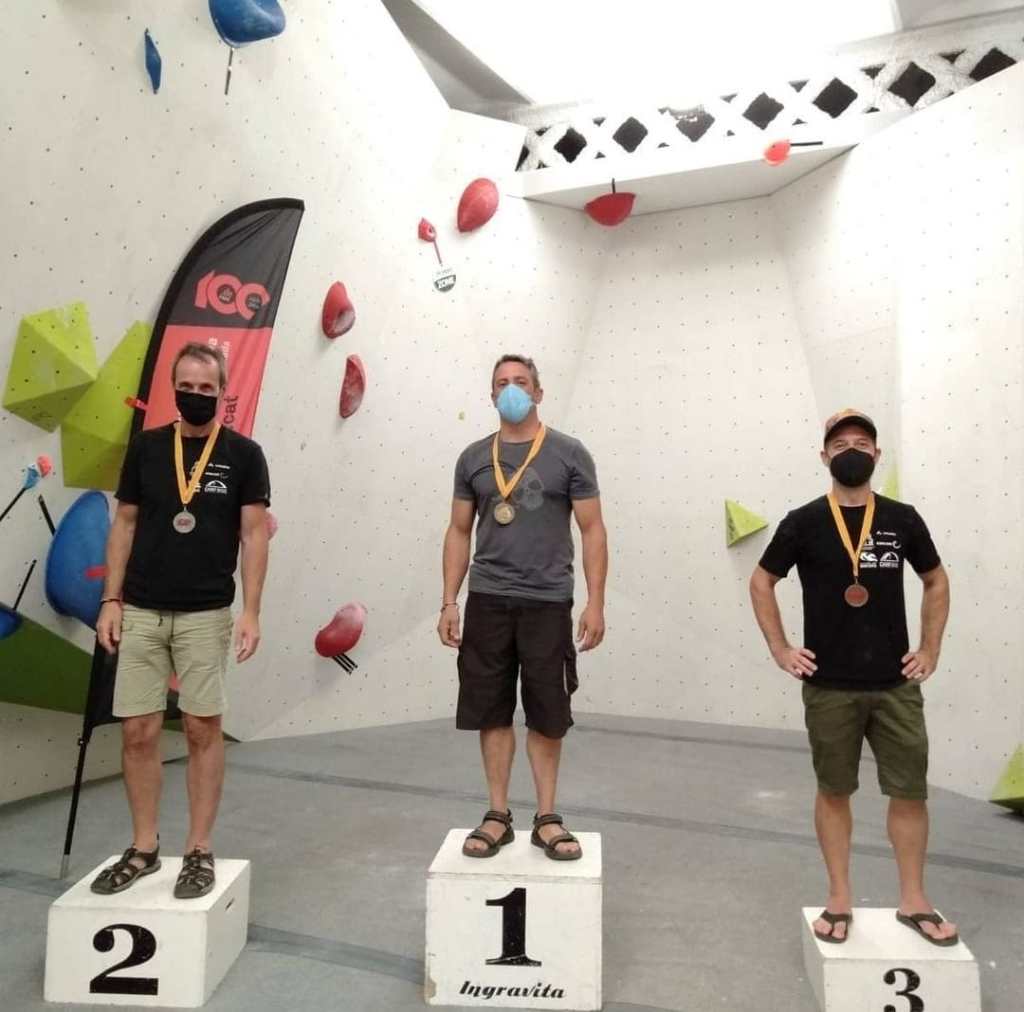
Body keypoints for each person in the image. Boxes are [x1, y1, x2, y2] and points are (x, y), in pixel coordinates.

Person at [749, 409, 957, 945]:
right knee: (834, 791)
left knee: (909, 793)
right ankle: (839, 898)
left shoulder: (902, 519)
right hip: (829, 687)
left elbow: (936, 580)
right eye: (840, 444)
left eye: (862, 443)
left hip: (896, 686)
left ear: (877, 455)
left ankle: (914, 900)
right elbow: (761, 581)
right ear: (824, 456)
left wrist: (930, 649)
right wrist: (780, 648)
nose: (851, 451)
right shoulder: (802, 521)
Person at [91, 342, 270, 899]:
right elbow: (124, 523)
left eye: (206, 388)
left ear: (222, 392)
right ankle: (144, 847)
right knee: (138, 731)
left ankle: (198, 849)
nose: (195, 396)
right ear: (173, 388)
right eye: (186, 387)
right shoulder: (147, 448)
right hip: (141, 609)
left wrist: (252, 611)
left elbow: (254, 535)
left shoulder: (244, 455)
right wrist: (111, 599)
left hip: (206, 613)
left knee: (201, 729)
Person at [438, 355, 608, 860]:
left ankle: (547, 818)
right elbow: (458, 531)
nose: (511, 389)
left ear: (538, 392)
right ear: (491, 396)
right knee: (491, 710)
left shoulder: (569, 453)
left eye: (520, 381)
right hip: (488, 598)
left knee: (547, 713)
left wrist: (596, 602)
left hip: (548, 600)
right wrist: (449, 601)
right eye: (502, 383)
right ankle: (497, 814)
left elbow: (593, 529)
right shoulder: (473, 458)